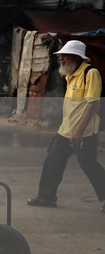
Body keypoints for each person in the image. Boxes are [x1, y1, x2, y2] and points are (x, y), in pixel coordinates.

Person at [27, 40, 105, 213]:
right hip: (65, 131)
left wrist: (79, 130)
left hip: (82, 133)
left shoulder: (90, 73)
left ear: (77, 57)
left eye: (65, 55)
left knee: (89, 166)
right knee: (53, 161)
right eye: (60, 56)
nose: (61, 59)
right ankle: (46, 197)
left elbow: (92, 105)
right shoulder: (70, 74)